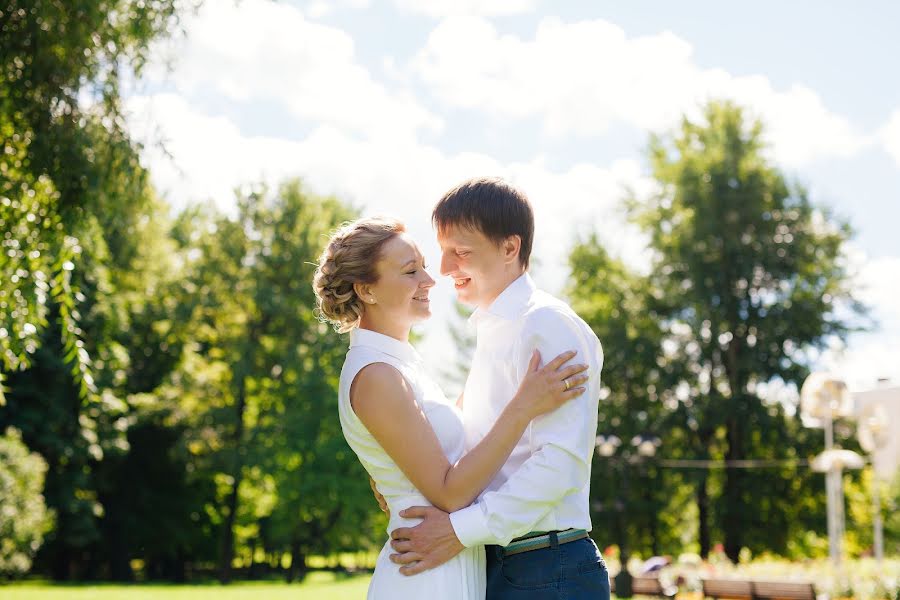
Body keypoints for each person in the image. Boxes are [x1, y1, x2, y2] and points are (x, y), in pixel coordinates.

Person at [312, 216, 590, 599]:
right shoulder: (376, 373)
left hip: (450, 562)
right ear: (367, 290)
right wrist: (523, 406)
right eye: (411, 271)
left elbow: (458, 441)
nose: (429, 280)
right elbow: (449, 492)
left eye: (424, 267)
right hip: (424, 572)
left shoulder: (402, 364)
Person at [386, 178, 609, 599]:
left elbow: (560, 466)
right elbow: (473, 445)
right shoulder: (494, 329)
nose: (446, 269)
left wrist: (458, 530)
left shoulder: (546, 325)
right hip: (501, 564)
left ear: (510, 248)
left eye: (461, 252)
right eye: (444, 252)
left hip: (547, 570)